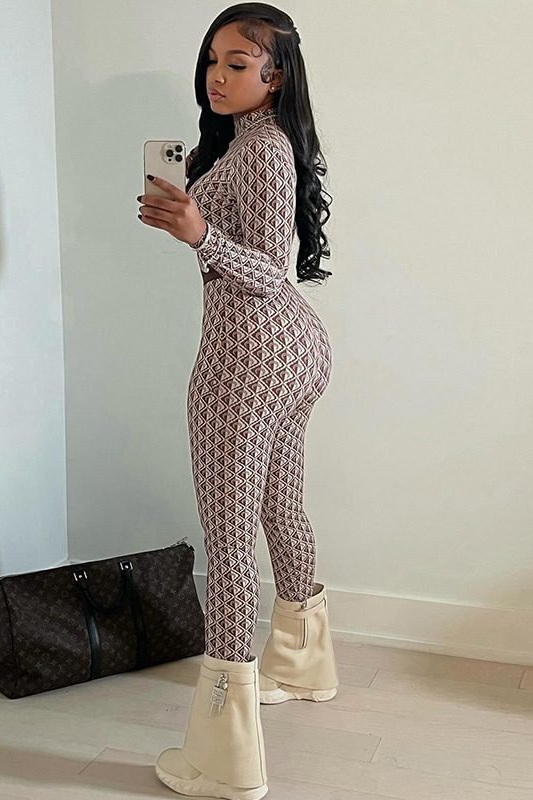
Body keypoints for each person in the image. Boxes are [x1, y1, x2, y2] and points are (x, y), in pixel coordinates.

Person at [137, 4, 337, 798]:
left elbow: (266, 272)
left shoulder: (265, 150)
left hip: (249, 358)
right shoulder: (253, 143)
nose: (217, 77)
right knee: (280, 509)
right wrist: (195, 211)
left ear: (275, 75)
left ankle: (225, 757)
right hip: (295, 352)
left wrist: (200, 234)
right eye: (213, 61)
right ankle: (302, 662)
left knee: (227, 542)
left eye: (238, 64)